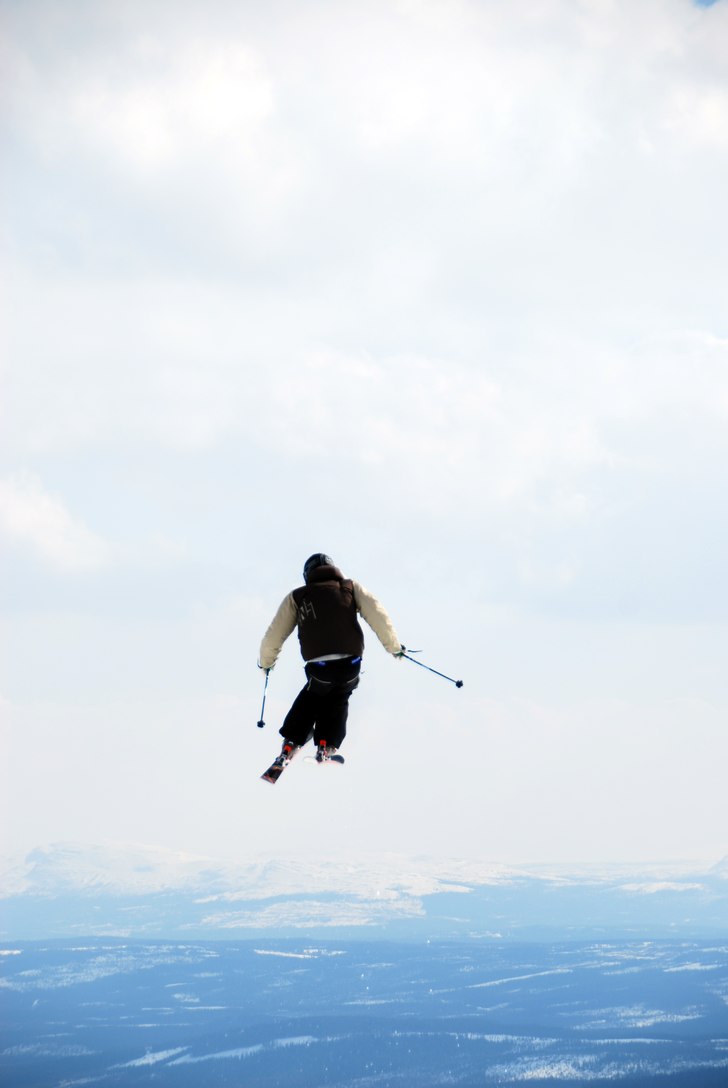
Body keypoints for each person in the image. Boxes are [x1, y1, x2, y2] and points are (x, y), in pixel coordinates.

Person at [259, 553, 403, 769]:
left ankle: (291, 742)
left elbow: (274, 634)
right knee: (340, 695)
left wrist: (266, 663)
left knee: (312, 696)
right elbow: (378, 614)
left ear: (307, 575)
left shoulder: (298, 597)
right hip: (351, 663)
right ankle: (327, 744)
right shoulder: (349, 587)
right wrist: (394, 647)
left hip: (319, 667)